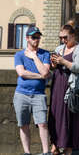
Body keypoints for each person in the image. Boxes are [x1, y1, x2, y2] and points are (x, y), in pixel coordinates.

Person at [48, 24, 79, 155]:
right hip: (58, 84)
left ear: (73, 35)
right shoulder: (59, 48)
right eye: (61, 38)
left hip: (71, 87)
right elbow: (53, 68)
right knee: (56, 114)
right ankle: (55, 144)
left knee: (69, 116)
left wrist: (63, 61)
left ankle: (68, 148)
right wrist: (53, 64)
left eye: (65, 37)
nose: (63, 40)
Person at [13, 26, 51, 155]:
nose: (37, 39)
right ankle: (27, 152)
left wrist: (34, 57)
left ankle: (46, 152)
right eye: (34, 37)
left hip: (39, 94)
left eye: (38, 37)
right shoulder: (19, 55)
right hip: (21, 94)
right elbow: (22, 73)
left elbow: (46, 71)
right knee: (23, 125)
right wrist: (40, 76)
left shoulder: (45, 54)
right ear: (27, 38)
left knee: (42, 124)